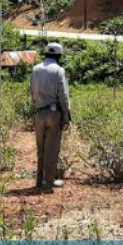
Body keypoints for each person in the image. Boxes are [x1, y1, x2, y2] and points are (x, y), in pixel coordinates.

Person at [30, 42, 72, 191]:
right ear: (59, 56)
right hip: (53, 113)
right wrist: (66, 115)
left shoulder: (35, 69)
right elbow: (63, 95)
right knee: (51, 149)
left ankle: (39, 181)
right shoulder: (59, 71)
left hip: (38, 112)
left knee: (40, 149)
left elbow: (31, 91)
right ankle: (49, 182)